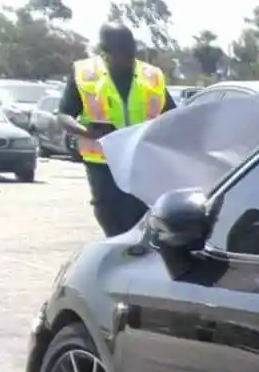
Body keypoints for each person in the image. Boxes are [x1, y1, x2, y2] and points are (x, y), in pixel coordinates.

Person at [59, 24, 174, 236]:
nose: (127, 56)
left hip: (140, 161)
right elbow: (64, 115)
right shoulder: (85, 74)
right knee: (110, 216)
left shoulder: (152, 76)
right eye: (121, 50)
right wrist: (86, 131)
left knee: (141, 217)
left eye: (130, 50)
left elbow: (172, 116)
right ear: (105, 50)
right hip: (103, 163)